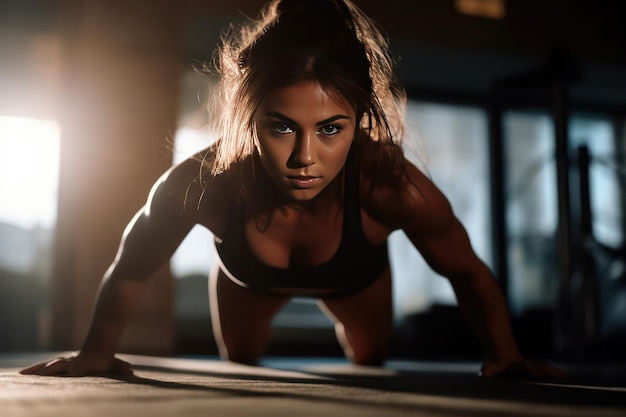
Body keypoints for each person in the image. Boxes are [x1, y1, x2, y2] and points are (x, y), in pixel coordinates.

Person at [22, 0, 563, 378]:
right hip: (248, 278)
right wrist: (95, 351)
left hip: (357, 277)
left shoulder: (387, 185)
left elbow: (466, 271)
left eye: (331, 129)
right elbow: (132, 266)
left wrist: (506, 355)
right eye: (281, 126)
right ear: (248, 117)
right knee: (243, 365)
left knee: (369, 363)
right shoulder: (204, 183)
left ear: (360, 119)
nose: (305, 158)